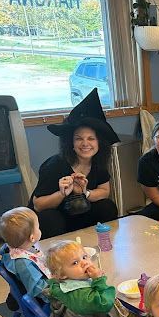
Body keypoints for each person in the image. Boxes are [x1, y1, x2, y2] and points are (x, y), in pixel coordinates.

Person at [30, 89, 119, 239]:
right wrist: (62, 193)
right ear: (70, 142)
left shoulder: (98, 161)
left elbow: (104, 191)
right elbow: (38, 205)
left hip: (81, 213)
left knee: (107, 207)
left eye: (91, 138)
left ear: (99, 143)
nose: (85, 144)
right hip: (57, 218)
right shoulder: (54, 165)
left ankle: (98, 244)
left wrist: (85, 193)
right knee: (49, 219)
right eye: (79, 139)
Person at [44, 240, 141, 317]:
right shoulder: (76, 293)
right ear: (62, 274)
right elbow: (104, 303)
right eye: (75, 263)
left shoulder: (67, 282)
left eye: (85, 257)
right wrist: (99, 280)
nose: (84, 263)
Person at [0, 206, 50, 306]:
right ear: (32, 237)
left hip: (26, 289)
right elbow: (38, 289)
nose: (39, 229)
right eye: (38, 227)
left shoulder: (12, 247)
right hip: (37, 300)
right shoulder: (23, 263)